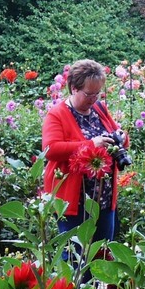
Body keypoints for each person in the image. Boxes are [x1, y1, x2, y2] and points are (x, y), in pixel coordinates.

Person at [42, 59, 127, 251]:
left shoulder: (99, 109)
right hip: (73, 201)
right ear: (73, 88)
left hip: (103, 199)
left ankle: (99, 284)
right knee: (75, 256)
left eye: (98, 93)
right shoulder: (58, 114)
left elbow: (116, 135)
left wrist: (121, 137)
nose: (93, 99)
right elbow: (50, 149)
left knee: (103, 254)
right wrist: (90, 144)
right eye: (89, 93)